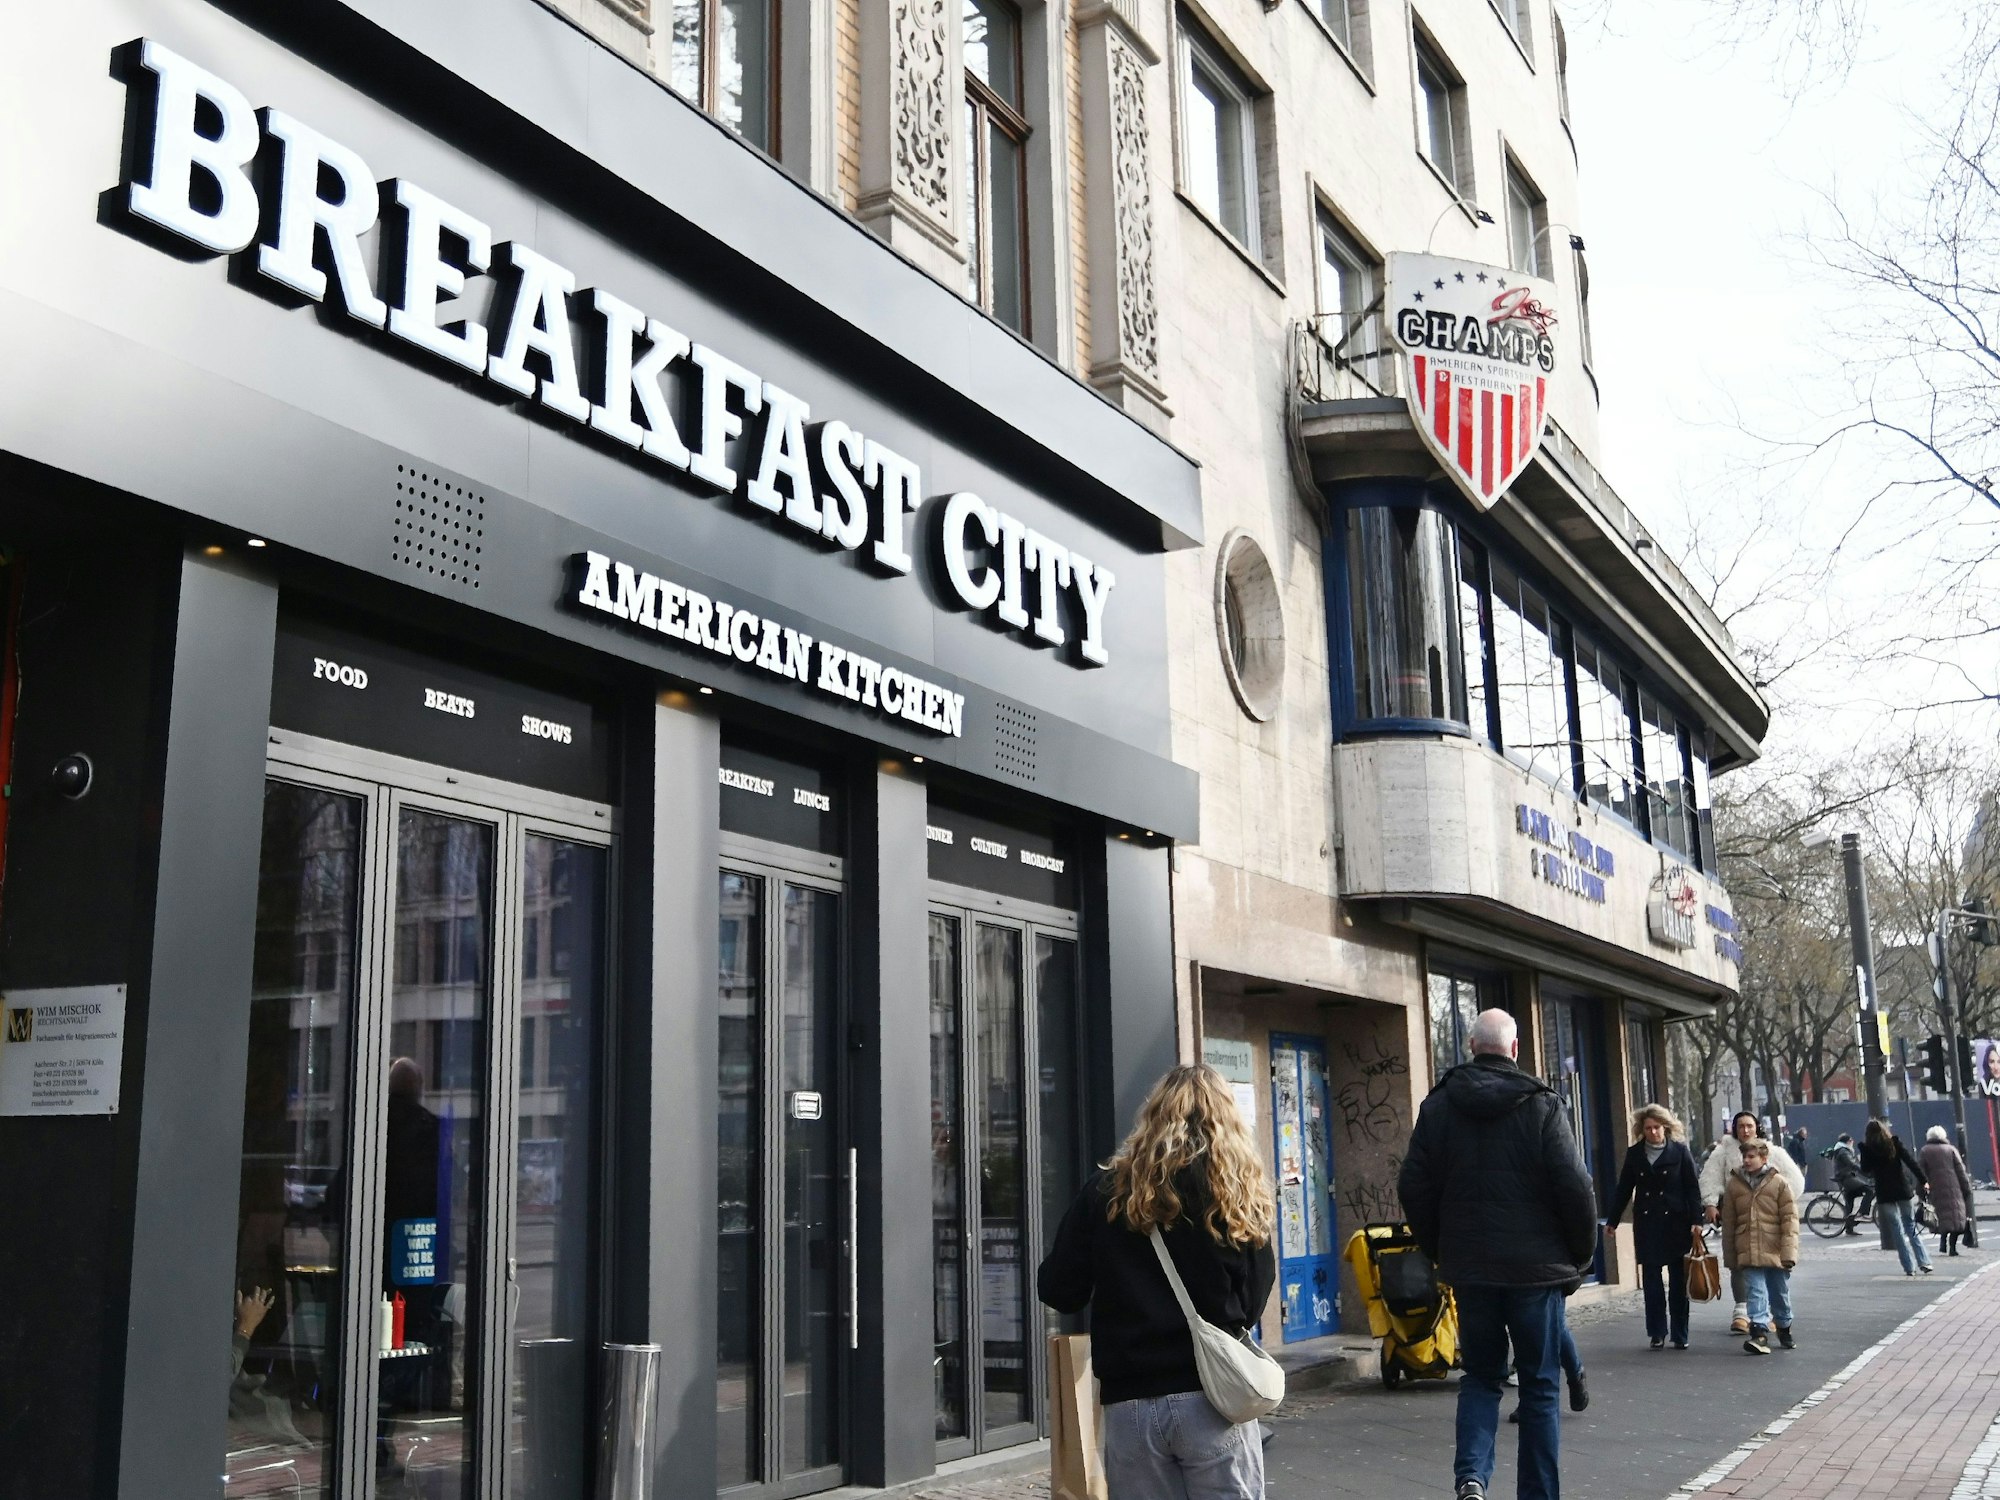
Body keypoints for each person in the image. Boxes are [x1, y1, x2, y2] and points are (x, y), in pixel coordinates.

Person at [1037, 1064, 1276, 1500]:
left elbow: (1058, 1289)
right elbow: (1254, 1299)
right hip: (1212, 1399)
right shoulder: (1235, 1194)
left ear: (1153, 1116)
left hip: (1130, 1404)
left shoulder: (1105, 1192)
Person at [1398, 1009, 1596, 1500]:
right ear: (1515, 1049)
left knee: (1482, 1378)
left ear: (1470, 1046)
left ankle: (1471, 1479)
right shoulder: (1543, 1106)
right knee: (1540, 1386)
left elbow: (1413, 1186)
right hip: (1536, 1270)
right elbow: (1575, 1186)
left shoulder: (1439, 1106)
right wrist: (1580, 1256)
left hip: (1472, 1270)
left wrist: (1440, 1248)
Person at [1605, 1104, 1702, 1350]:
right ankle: (1657, 1332)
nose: (1653, 1132)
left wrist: (1696, 1221)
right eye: (1648, 1128)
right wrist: (1613, 1220)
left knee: (1679, 1282)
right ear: (1642, 1129)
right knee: (1651, 1281)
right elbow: (1624, 1188)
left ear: (1665, 1127)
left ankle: (1680, 1334)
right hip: (1648, 1223)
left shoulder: (1680, 1152)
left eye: (1657, 1127)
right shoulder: (1635, 1154)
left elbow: (1692, 1188)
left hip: (1677, 1223)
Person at [1698, 1112, 1804, 1334]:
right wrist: (1710, 1203)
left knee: (1771, 1266)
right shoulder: (1723, 1152)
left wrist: (1779, 1203)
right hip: (1737, 1215)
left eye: (1749, 1126)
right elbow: (1710, 1176)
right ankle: (1742, 1310)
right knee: (1740, 1262)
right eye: (1740, 1126)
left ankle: (1771, 1313)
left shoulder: (1773, 1152)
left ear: (1756, 1127)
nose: (1745, 1130)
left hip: (1768, 1220)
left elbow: (1794, 1180)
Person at [1722, 1137, 1799, 1355]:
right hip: (1747, 1246)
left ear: (1764, 1158)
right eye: (1744, 1156)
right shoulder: (1735, 1184)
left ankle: (1784, 1326)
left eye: (1751, 1156)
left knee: (1779, 1293)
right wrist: (1730, 1256)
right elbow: (1729, 1223)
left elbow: (1790, 1221)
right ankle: (1759, 1333)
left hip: (1774, 1249)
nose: (1746, 1161)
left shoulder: (1779, 1183)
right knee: (1755, 1291)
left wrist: (1789, 1252)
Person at [1859, 1117, 1934, 1276]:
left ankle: (1909, 1267)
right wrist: (1923, 1180)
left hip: (1884, 1193)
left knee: (1897, 1230)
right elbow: (1911, 1162)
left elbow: (1865, 1170)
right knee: (1910, 1225)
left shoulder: (1869, 1149)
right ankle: (1924, 1261)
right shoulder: (1894, 1143)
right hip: (1901, 1189)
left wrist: (1863, 1150)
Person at [1919, 1124, 1976, 1256]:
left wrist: (1921, 1192)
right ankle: (1952, 1247)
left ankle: (1943, 1241)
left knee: (1941, 1217)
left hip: (1935, 1189)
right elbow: (1961, 1171)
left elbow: (1921, 1173)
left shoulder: (1925, 1151)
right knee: (1955, 1218)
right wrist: (1967, 1188)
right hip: (1954, 1189)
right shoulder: (1951, 1150)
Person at [1820, 1134, 1874, 1228]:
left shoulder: (1843, 1150)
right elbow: (1852, 1164)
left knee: (1850, 1200)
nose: (1853, 1142)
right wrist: (1866, 1173)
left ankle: (1849, 1227)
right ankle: (1862, 1213)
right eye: (1851, 1141)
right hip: (1846, 1178)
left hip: (1845, 1178)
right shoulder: (1843, 1152)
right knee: (1869, 1190)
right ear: (1848, 1141)